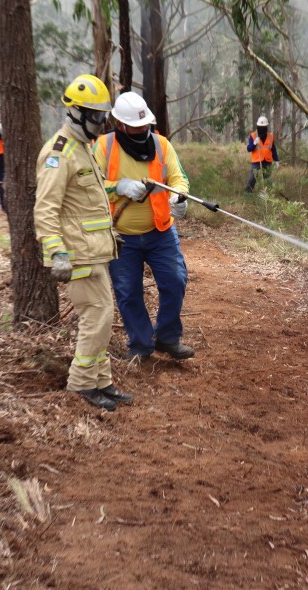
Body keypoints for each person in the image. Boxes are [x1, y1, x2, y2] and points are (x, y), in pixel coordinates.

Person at [34, 74, 130, 411]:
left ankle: (101, 381)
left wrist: (120, 187)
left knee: (103, 317)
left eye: (103, 117)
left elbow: (95, 194)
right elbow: (45, 209)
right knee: (96, 317)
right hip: (76, 255)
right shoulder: (58, 154)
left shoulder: (83, 150)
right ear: (76, 113)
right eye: (96, 117)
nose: (101, 124)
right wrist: (56, 253)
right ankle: (80, 384)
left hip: (96, 251)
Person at [96, 91, 193, 361]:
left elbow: (178, 177)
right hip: (121, 237)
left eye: (145, 125)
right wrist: (120, 188)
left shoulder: (162, 144)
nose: (142, 130)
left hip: (161, 232)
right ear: (120, 124)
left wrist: (179, 196)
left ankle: (167, 338)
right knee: (128, 292)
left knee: (175, 280)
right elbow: (91, 187)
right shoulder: (103, 147)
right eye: (136, 126)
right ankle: (140, 344)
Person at [245, 115, 279, 193]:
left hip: (267, 162)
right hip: (256, 161)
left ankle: (267, 196)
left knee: (267, 180)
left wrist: (276, 160)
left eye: (263, 127)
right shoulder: (253, 135)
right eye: (260, 126)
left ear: (266, 126)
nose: (262, 128)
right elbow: (249, 149)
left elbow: (273, 149)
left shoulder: (270, 136)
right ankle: (247, 194)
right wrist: (254, 143)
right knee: (252, 179)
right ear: (258, 126)